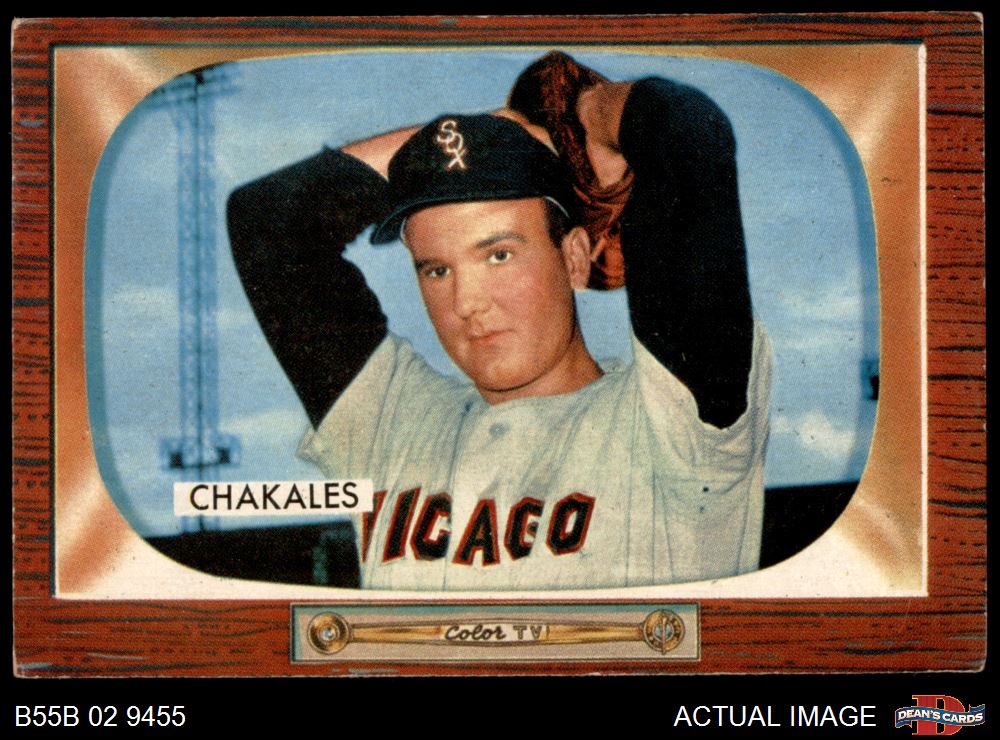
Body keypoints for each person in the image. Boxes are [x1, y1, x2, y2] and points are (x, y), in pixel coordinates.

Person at [227, 53, 771, 591]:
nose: (466, 302)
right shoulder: (394, 425)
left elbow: (682, 127)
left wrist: (580, 112)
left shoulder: (671, 424)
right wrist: (487, 131)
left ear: (574, 257)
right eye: (437, 269)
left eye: (499, 255)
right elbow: (268, 219)